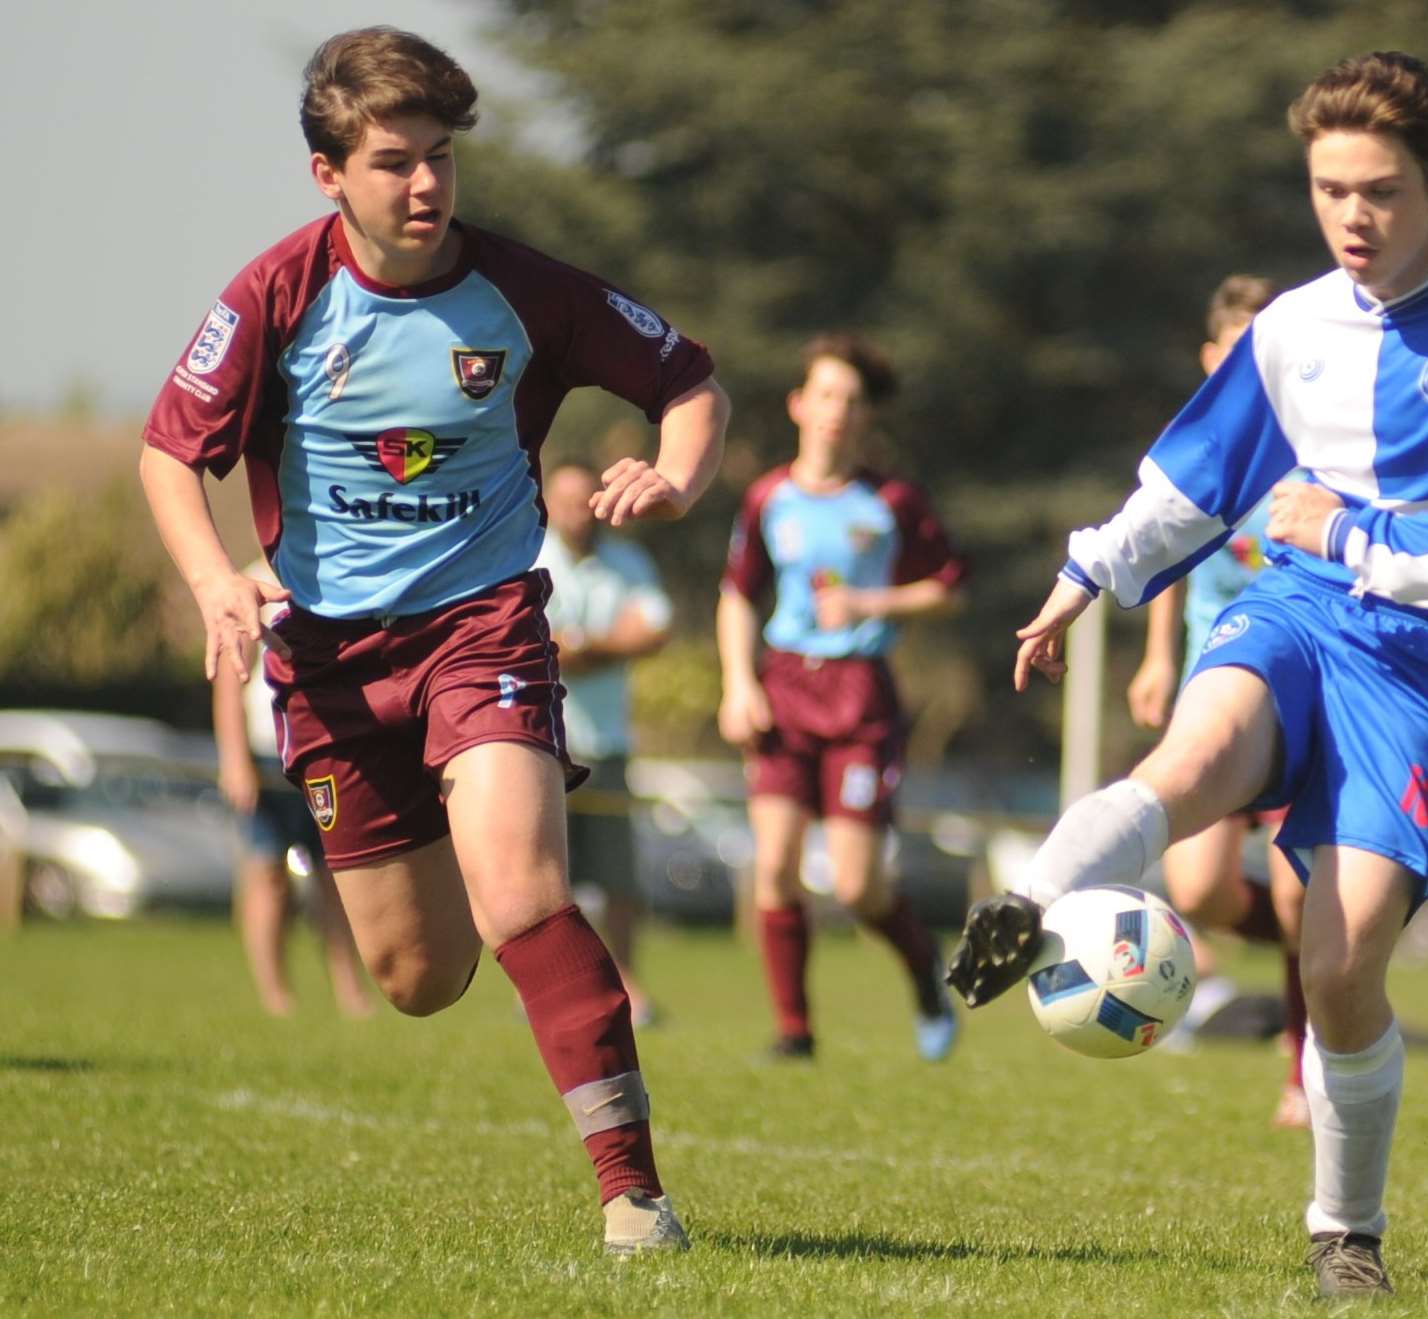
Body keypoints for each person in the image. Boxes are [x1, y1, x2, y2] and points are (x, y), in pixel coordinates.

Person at [947, 51, 1428, 1298]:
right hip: (1292, 615)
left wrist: (1347, 533)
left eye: (1381, 190)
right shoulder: (1290, 326)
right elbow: (1192, 475)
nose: (1352, 215)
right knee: (1183, 763)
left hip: (1426, 663)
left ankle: (1344, 1229)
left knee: (1339, 971)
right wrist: (1084, 578)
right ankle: (1025, 903)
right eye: (1328, 188)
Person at [138, 27, 729, 1255]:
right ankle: (482, 878)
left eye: (442, 159)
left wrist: (674, 478)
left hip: (483, 625)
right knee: (415, 978)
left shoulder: (526, 290)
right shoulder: (274, 296)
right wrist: (212, 581)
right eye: (395, 161)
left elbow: (686, 376)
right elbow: (165, 449)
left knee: (523, 889)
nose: (424, 186)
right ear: (328, 175)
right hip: (330, 663)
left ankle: (633, 1193)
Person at [717, 332, 968, 1063]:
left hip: (861, 698)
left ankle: (925, 970)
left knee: (858, 884)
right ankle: (794, 1031)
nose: (836, 410)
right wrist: (738, 682)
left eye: (851, 400)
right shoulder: (768, 496)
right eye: (824, 394)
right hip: (784, 688)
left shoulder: (891, 501)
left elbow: (950, 589)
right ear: (799, 405)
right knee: (775, 864)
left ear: (866, 417)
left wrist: (871, 601)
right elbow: (737, 594)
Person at [1126, 274, 1313, 1129]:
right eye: (1234, 346)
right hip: (1211, 689)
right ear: (1211, 357)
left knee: (1296, 889)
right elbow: (1169, 547)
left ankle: (1301, 1069)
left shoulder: (1317, 443)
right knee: (1195, 889)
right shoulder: (1199, 446)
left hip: (1294, 691)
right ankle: (1327, 958)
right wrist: (1160, 655)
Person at [535, 463, 673, 1026]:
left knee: (618, 881)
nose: (573, 510)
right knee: (546, 878)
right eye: (562, 500)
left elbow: (655, 630)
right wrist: (601, 648)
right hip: (542, 743)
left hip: (608, 745)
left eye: (581, 499)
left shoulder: (629, 562)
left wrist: (583, 647)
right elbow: (532, 642)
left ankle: (625, 987)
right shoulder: (528, 555)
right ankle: (550, 990)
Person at [213, 556, 373, 1019]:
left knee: (337, 879)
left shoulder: (340, 567)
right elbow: (229, 681)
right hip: (268, 756)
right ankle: (276, 996)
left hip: (329, 749)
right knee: (267, 876)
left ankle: (350, 992)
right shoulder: (249, 579)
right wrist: (235, 759)